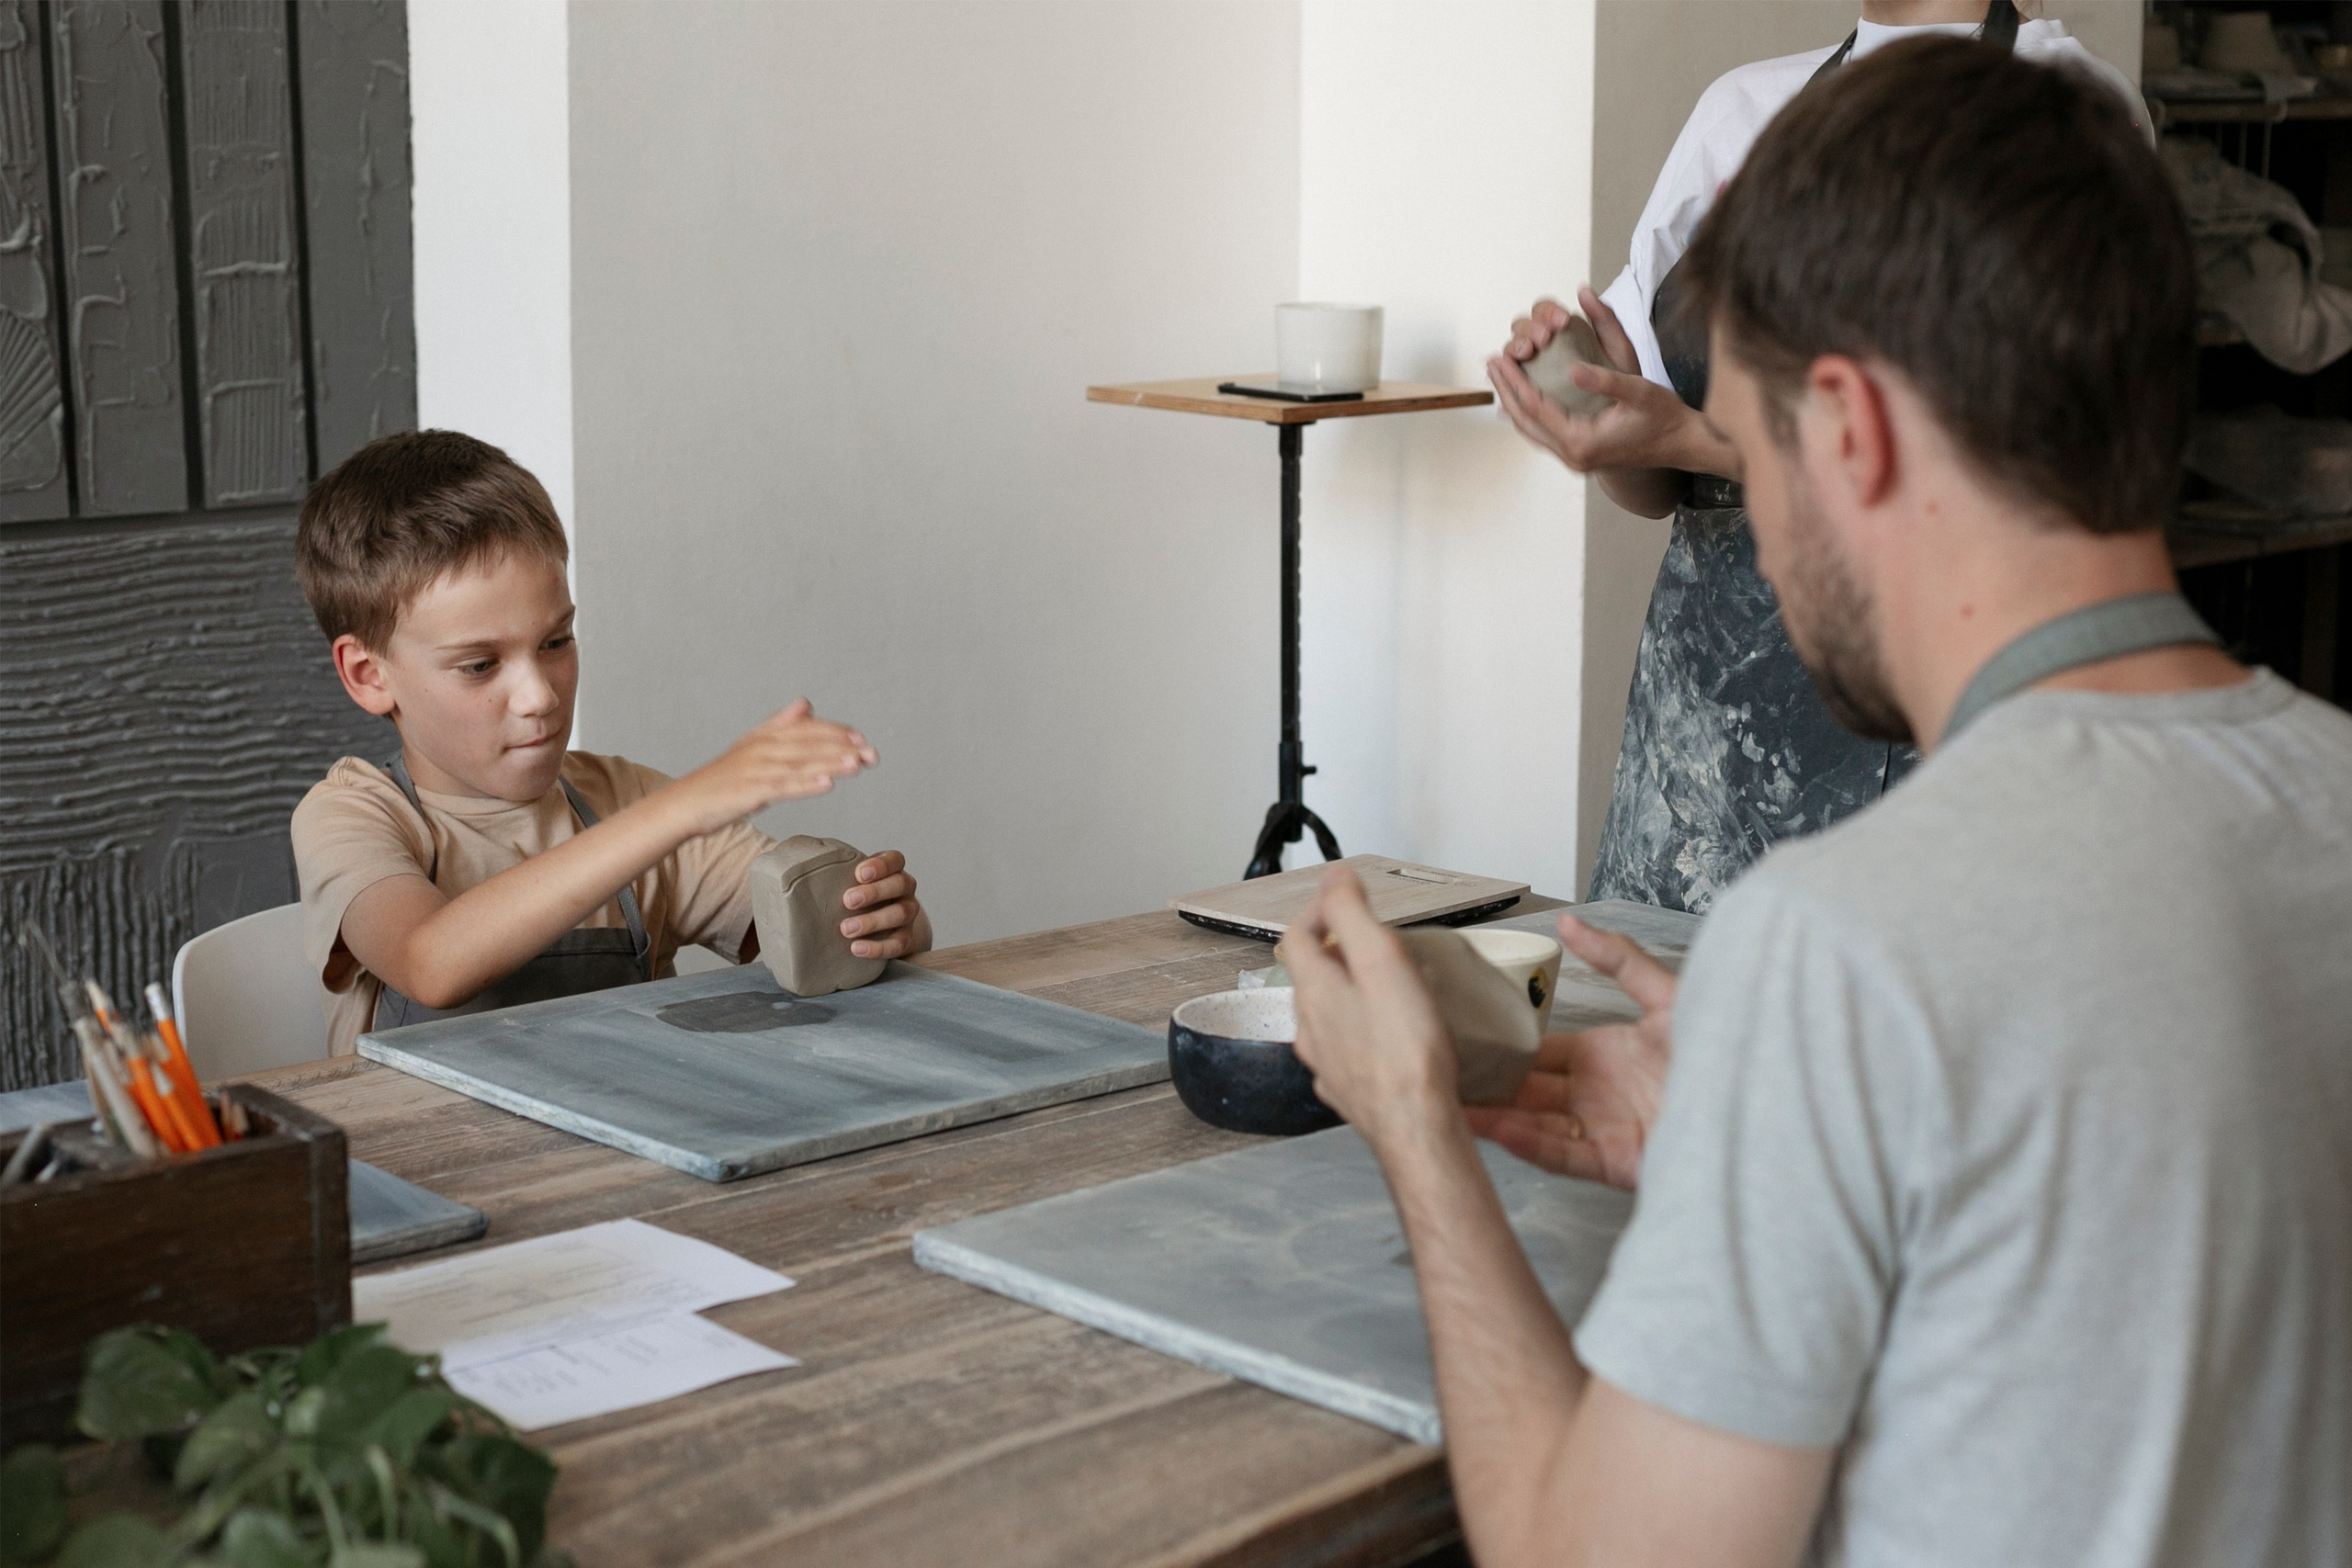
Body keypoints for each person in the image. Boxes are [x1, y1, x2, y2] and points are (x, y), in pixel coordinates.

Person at [1284, 39, 2350, 1568]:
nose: (1764, 541)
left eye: (1757, 444)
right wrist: (1781, 1134)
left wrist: (1414, 1135)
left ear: (1848, 428)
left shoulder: (1849, 942)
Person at [1490, 0, 2145, 912]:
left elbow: (2011, 468)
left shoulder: (2059, 100)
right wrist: (1597, 405)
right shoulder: (1742, 108)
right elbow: (1653, 486)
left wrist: (1684, 434)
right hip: (1699, 744)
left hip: (1918, 698)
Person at [290, 431, 931, 1055]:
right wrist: (682, 808)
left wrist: (880, 925)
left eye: (556, 642)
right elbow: (431, 963)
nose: (539, 694)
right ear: (369, 675)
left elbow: (812, 935)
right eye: (480, 665)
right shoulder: (352, 815)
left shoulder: (626, 798)